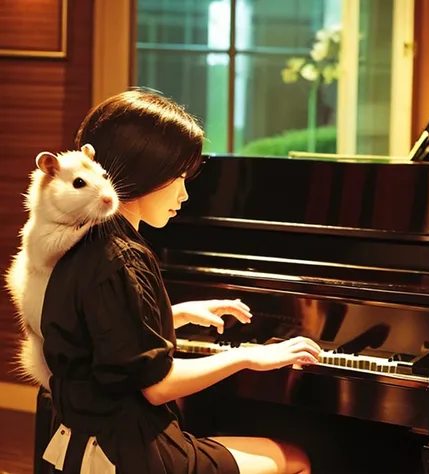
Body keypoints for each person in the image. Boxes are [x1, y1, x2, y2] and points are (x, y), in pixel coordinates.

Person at [39, 87, 322, 474]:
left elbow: (105, 339)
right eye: (177, 177)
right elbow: (158, 386)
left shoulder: (83, 239)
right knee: (295, 459)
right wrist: (245, 356)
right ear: (145, 172)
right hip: (133, 453)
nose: (185, 193)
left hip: (81, 442)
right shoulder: (126, 257)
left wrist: (177, 313)